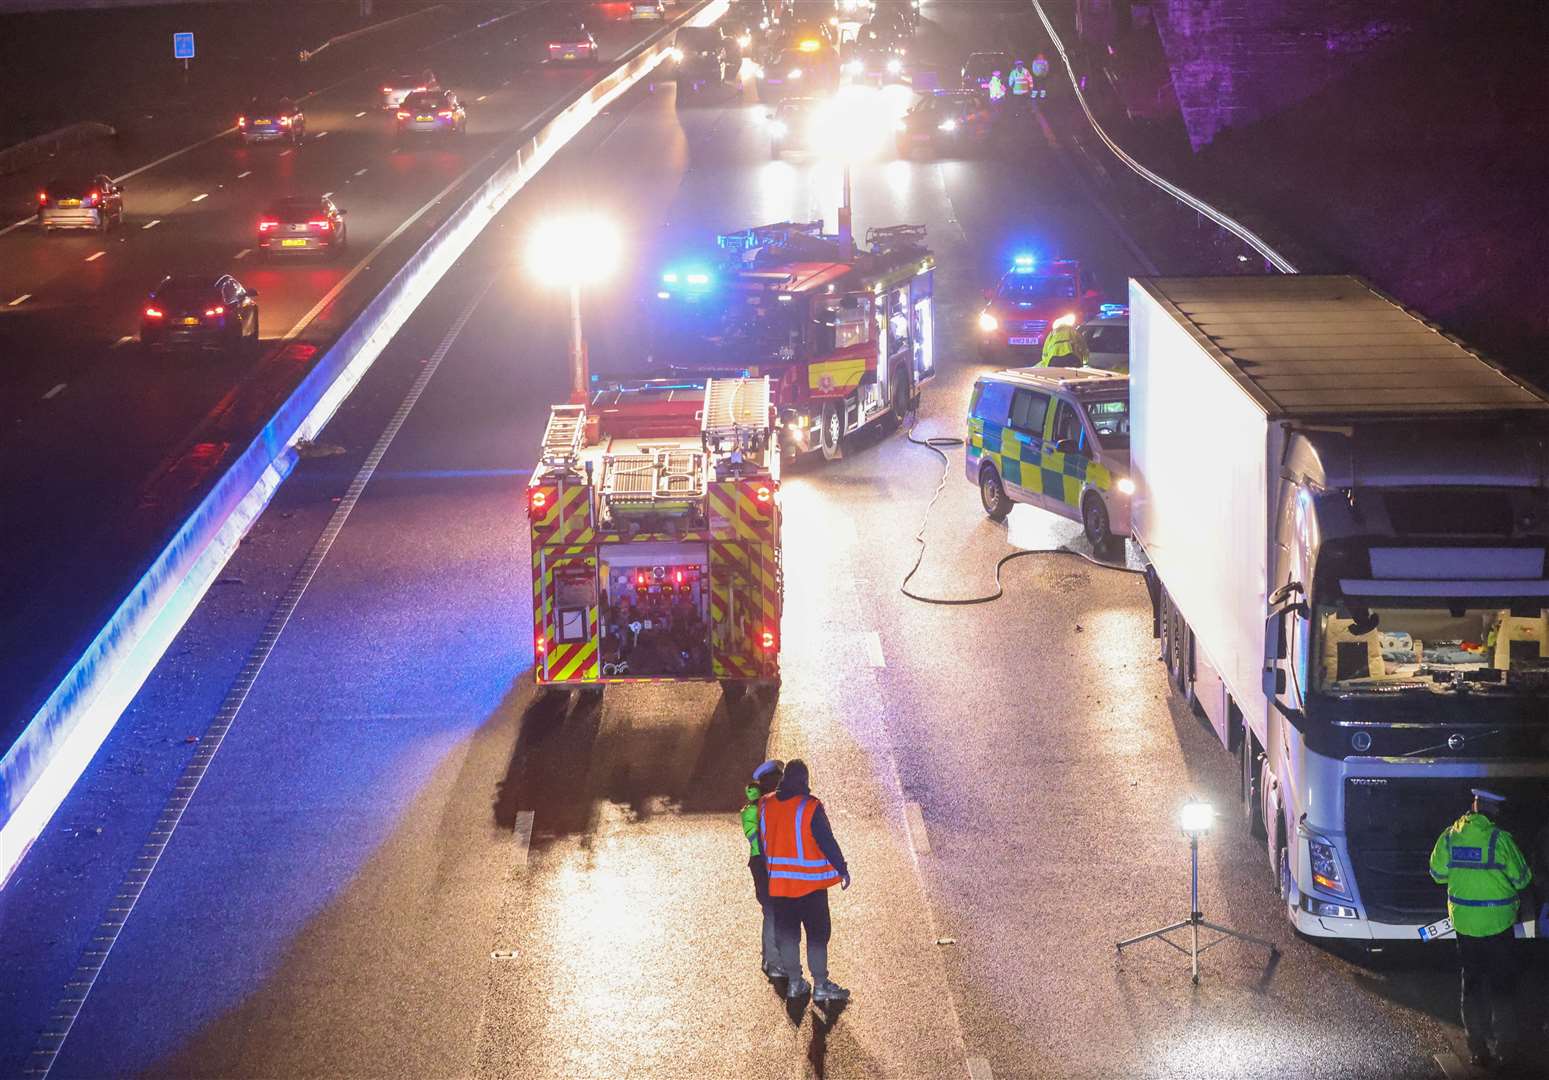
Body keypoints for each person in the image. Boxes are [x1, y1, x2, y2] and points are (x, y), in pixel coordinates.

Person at [1428, 788, 1533, 1071]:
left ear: (1473, 806)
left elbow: (1437, 874)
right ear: (1494, 810)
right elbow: (1522, 879)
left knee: (1472, 986)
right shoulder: (1501, 840)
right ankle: (1506, 1052)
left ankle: (1477, 1050)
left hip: (1465, 924)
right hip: (1499, 925)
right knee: (1502, 988)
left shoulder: (1450, 836)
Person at [759, 759, 851, 1003]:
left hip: (779, 887)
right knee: (818, 936)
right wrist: (842, 869)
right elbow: (826, 840)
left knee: (789, 936)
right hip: (810, 888)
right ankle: (821, 984)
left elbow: (762, 840)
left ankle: (795, 983)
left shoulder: (766, 805)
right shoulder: (809, 806)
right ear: (804, 780)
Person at [743, 760, 785, 978]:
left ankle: (773, 958)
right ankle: (772, 961)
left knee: (776, 912)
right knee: (771, 912)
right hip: (763, 865)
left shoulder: (775, 805)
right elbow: (755, 838)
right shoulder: (753, 810)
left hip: (774, 864)